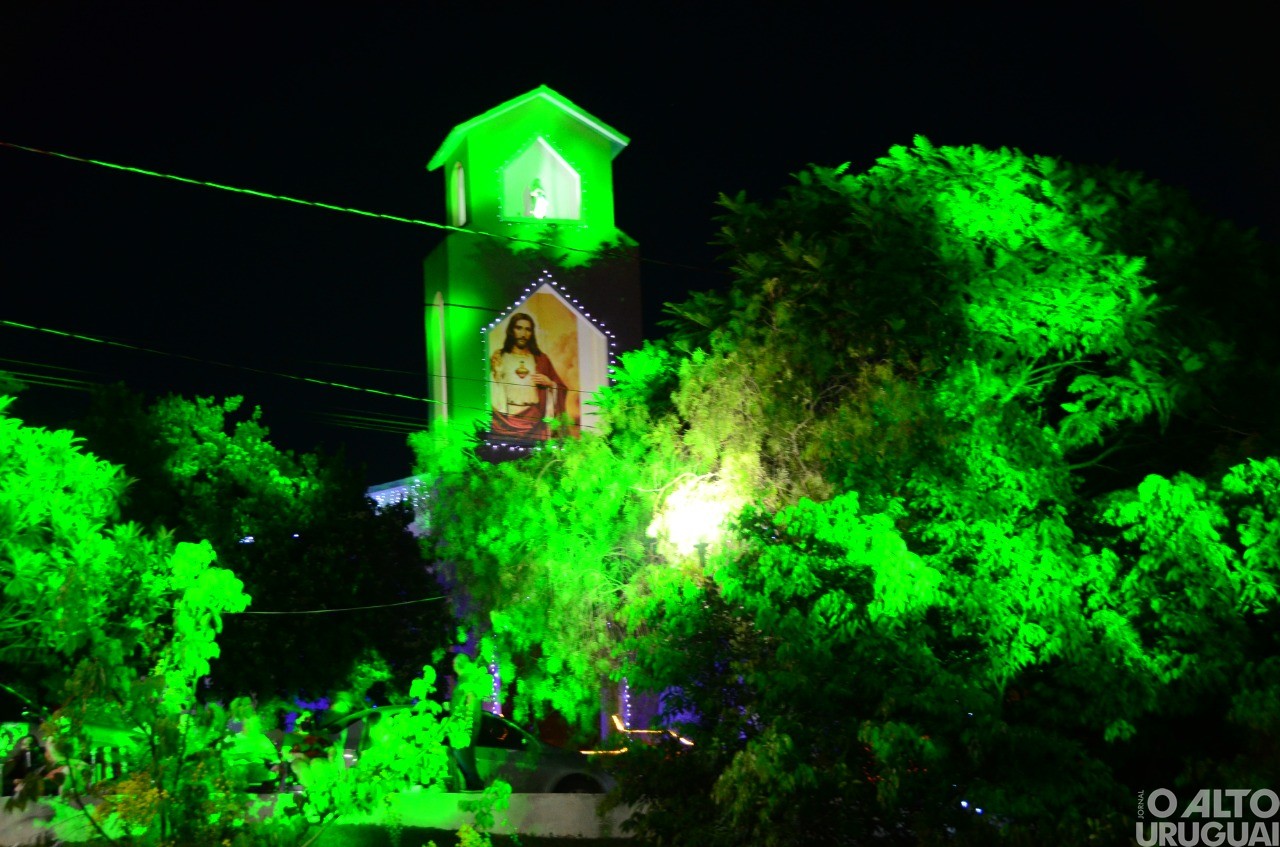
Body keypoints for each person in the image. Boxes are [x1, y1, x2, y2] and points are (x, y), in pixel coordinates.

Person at [489, 312, 566, 440]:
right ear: (511, 330)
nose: (523, 334)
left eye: (528, 329)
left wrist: (550, 384)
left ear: (532, 333)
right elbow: (493, 388)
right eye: (519, 328)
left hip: (534, 420)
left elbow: (561, 388)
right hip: (507, 420)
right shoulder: (500, 357)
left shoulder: (540, 359)